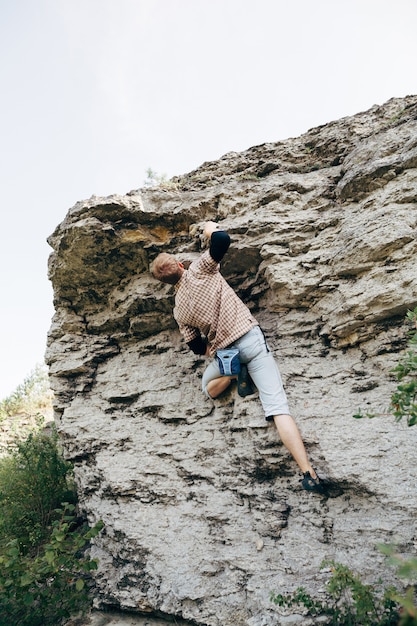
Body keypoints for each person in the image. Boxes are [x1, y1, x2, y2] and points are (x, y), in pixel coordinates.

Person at [151, 221, 324, 493]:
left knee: (208, 389)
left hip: (226, 354)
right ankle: (308, 472)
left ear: (165, 283)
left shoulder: (179, 309)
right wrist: (209, 227)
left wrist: (209, 348)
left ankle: (233, 374)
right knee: (277, 408)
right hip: (250, 339)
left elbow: (195, 345)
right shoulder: (199, 269)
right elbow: (222, 240)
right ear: (180, 265)